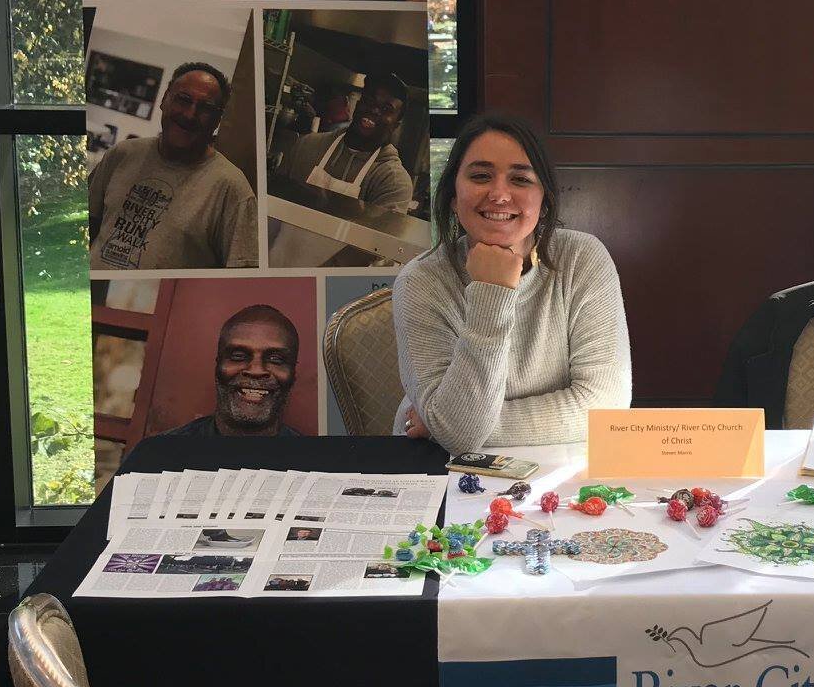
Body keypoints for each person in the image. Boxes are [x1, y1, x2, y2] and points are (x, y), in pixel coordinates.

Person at [393, 113, 632, 451]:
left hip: (556, 463)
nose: (500, 195)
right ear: (453, 196)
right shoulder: (420, 281)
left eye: (520, 179)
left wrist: (443, 425)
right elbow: (457, 437)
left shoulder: (582, 258)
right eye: (481, 176)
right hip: (436, 464)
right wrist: (492, 294)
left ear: (544, 201)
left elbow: (606, 405)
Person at [89, 62, 257, 270]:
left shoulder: (232, 189)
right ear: (164, 100)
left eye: (205, 108)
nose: (190, 114)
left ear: (217, 120)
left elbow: (243, 273)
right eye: (183, 100)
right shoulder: (121, 154)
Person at [155, 304, 305, 437]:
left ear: (293, 374)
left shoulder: (311, 458)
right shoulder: (161, 452)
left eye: (275, 359)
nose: (256, 370)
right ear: (218, 366)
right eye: (238, 356)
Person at [277, 74, 416, 214]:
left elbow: (379, 228)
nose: (374, 110)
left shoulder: (393, 181)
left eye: (386, 109)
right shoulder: (307, 145)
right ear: (357, 105)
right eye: (369, 101)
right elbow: (276, 203)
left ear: (395, 125)